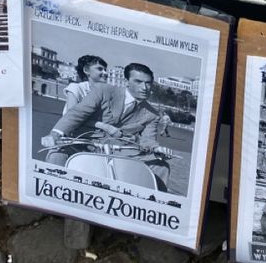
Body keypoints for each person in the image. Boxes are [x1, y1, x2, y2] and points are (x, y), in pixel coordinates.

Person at [41, 62, 172, 189]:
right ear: (126, 81)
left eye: (148, 83)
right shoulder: (104, 90)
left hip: (121, 153)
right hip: (85, 144)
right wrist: (55, 134)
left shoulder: (152, 114)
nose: (144, 87)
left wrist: (157, 150)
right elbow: (77, 113)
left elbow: (148, 140)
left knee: (161, 167)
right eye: (138, 82)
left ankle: (151, 205)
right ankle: (51, 192)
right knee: (56, 155)